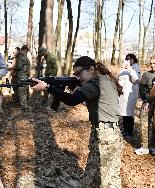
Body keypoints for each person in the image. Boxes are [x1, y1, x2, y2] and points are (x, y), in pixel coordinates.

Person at [32, 56, 123, 187]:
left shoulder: (95, 84)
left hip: (105, 136)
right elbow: (100, 102)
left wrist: (48, 87)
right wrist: (79, 90)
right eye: (75, 75)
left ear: (91, 69)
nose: (78, 78)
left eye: (79, 73)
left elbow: (72, 100)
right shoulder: (106, 80)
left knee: (100, 181)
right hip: (109, 134)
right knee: (103, 178)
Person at [135, 55, 155, 155]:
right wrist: (145, 101)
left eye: (154, 63)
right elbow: (142, 90)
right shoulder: (146, 75)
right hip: (148, 102)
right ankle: (144, 146)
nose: (152, 65)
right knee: (144, 122)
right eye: (151, 63)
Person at [118, 54, 140, 138]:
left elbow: (136, 80)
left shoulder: (135, 68)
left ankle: (129, 132)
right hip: (123, 94)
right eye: (127, 59)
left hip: (131, 94)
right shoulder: (123, 69)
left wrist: (130, 69)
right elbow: (119, 79)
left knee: (129, 113)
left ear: (134, 60)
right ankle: (125, 129)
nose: (129, 61)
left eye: (131, 59)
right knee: (124, 113)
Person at [11, 45, 30, 110]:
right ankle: (24, 105)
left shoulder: (22, 57)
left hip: (22, 77)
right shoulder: (24, 57)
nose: (20, 52)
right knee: (23, 91)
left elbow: (17, 66)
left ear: (23, 50)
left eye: (21, 51)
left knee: (22, 91)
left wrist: (11, 66)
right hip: (24, 76)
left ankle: (24, 107)